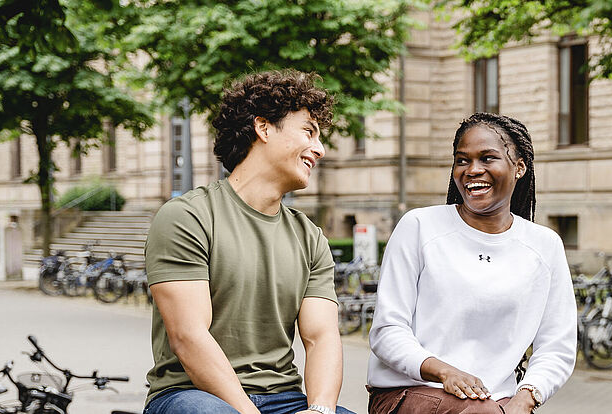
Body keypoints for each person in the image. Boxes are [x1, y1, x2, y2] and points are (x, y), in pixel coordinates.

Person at [143, 70, 352, 414]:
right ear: (263, 127)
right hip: (191, 394)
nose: (320, 149)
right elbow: (189, 336)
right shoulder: (187, 217)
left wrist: (320, 411)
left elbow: (322, 338)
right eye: (308, 132)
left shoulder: (310, 237)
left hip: (284, 398)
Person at [367, 113, 577, 414]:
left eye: (487, 158)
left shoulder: (544, 245)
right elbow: (387, 330)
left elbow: (557, 344)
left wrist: (526, 396)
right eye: (462, 160)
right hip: (412, 391)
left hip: (495, 401)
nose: (473, 170)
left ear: (519, 167)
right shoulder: (419, 226)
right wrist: (445, 372)